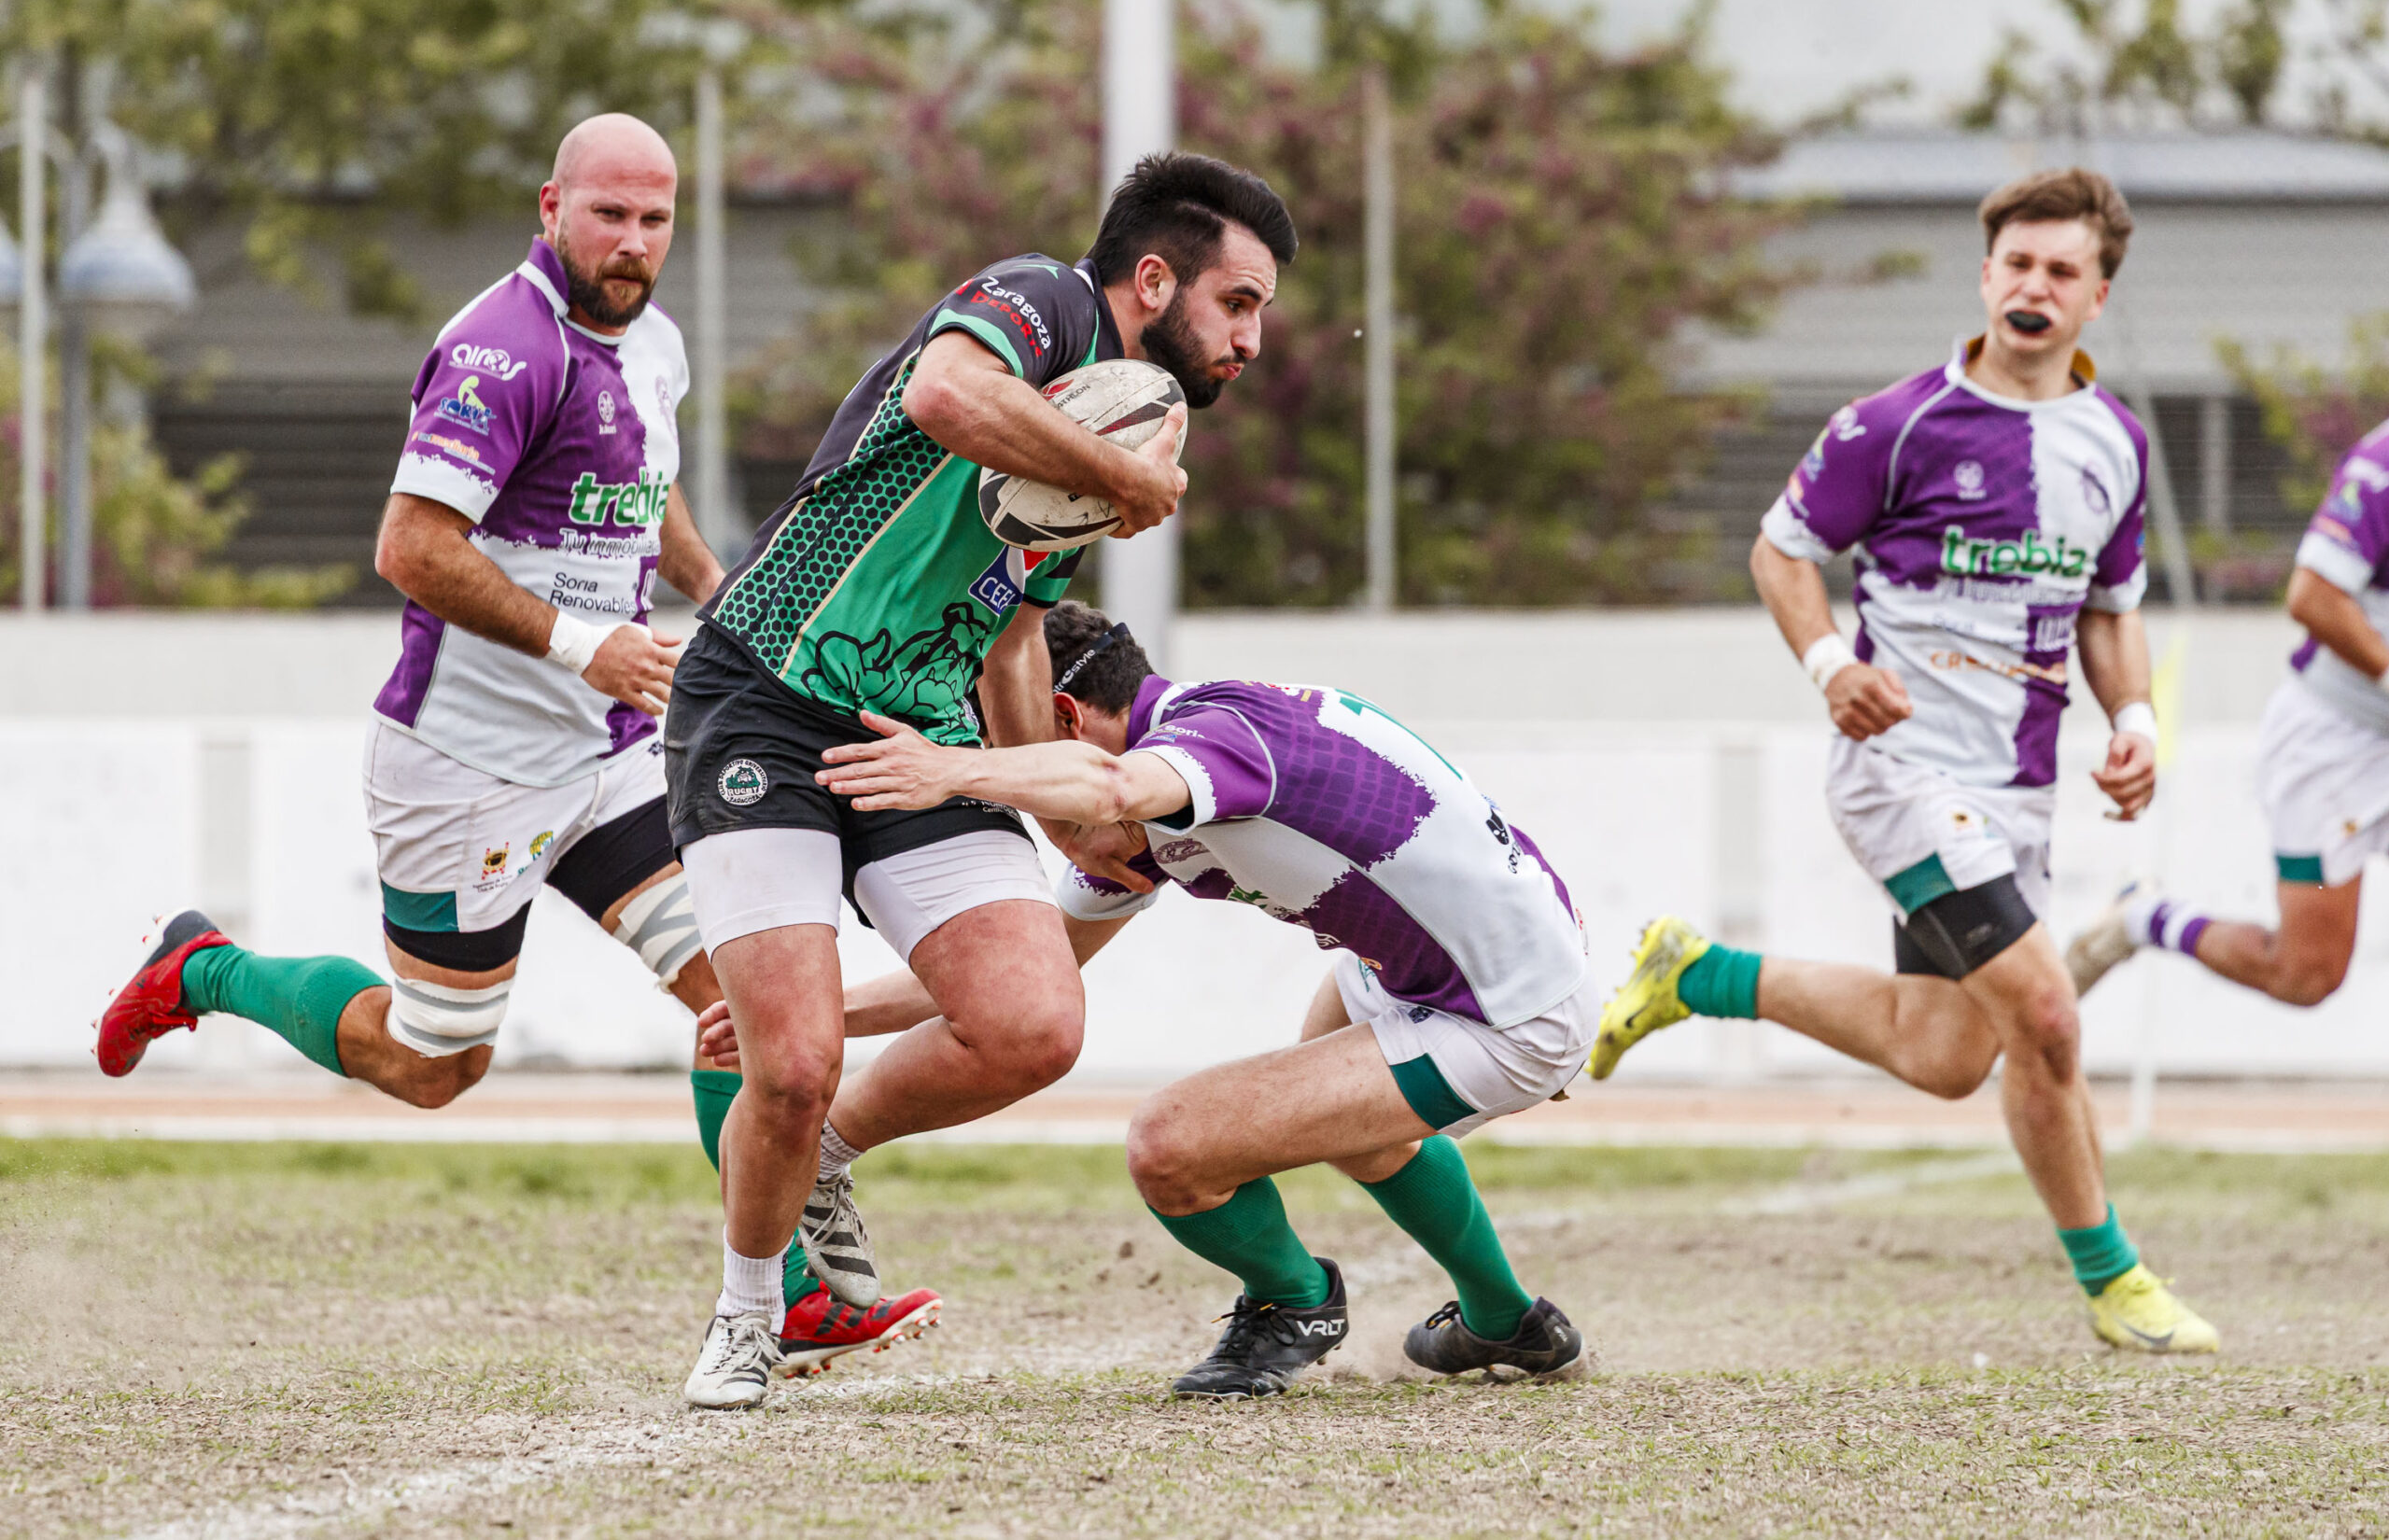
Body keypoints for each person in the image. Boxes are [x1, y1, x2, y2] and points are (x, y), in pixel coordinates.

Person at [93, 115, 941, 1374]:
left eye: (655, 218)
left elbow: (648, 489)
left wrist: (725, 595)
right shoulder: (501, 348)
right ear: (553, 205)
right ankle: (205, 967)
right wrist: (582, 642)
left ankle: (783, 1287)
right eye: (610, 214)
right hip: (463, 764)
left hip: (605, 752)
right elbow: (410, 547)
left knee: (741, 997)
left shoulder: (652, 338)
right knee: (437, 1061)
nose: (633, 240)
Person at [670, 153, 1298, 1407]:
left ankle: (831, 1155)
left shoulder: (1109, 408)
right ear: (1155, 277)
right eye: (1238, 301)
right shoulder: (1042, 302)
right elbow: (950, 392)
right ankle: (753, 1308)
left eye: (1264, 312)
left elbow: (1011, 629)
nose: (1253, 337)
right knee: (785, 1063)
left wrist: (1055, 812)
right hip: (761, 698)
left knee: (1034, 1022)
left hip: (916, 730)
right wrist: (1123, 479)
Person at [1590, 168, 2218, 1353]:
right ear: (1985, 276)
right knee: (2045, 1012)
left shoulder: (2115, 445)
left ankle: (1696, 976)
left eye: (2061, 271)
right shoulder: (1895, 424)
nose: (2033, 287)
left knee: (1944, 1055)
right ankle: (2115, 1277)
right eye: (2016, 264)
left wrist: (2133, 723)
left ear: (2098, 296)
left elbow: (2109, 613)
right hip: (1900, 771)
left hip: (2018, 792)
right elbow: (1781, 554)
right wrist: (1832, 666)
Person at [779, 601, 1591, 1399]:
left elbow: (1104, 787)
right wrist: (820, 1011)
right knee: (1358, 1135)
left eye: (1012, 748)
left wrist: (950, 768)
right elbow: (1015, 976)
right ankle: (1508, 1319)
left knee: (1171, 1146)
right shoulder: (1157, 790)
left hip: (1499, 1007)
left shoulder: (1204, 744)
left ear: (1065, 716)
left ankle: (1296, 1302)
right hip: (1453, 967)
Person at [2068, 421, 2389, 1010]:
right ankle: (2145, 918)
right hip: (2335, 746)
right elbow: (2313, 596)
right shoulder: (2385, 461)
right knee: (2305, 974)